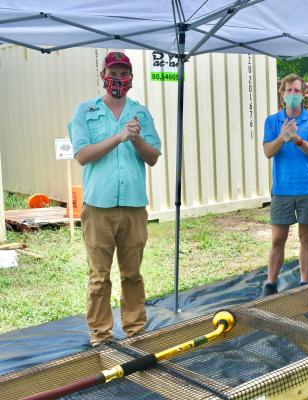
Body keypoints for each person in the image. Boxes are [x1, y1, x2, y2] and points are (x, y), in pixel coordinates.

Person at [69, 51, 161, 346]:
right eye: (113, 73)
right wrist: (118, 137)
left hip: (134, 205)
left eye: (124, 74)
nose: (118, 79)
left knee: (132, 273)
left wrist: (136, 139)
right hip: (98, 207)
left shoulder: (141, 113)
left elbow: (153, 157)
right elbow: (83, 156)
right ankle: (101, 335)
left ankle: (135, 330)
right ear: (103, 77)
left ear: (131, 78)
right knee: (99, 276)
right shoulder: (86, 111)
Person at [262, 73, 308, 296]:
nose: (293, 94)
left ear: (303, 94)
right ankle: (270, 284)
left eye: (297, 91)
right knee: (278, 240)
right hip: (282, 190)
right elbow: (268, 152)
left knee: (306, 238)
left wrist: (297, 139)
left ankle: (305, 283)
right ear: (282, 94)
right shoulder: (272, 121)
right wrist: (282, 137)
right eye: (289, 90)